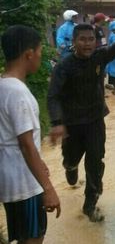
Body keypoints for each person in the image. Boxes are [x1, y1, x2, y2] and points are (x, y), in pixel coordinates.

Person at [47, 7, 115, 222]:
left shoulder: (99, 57)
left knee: (96, 162)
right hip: (71, 123)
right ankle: (70, 167)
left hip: (95, 120)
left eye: (91, 39)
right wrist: (57, 122)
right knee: (72, 158)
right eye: (83, 40)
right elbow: (53, 96)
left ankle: (91, 204)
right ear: (75, 41)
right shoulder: (64, 66)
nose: (88, 44)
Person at [1, 25, 61, 243]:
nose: (39, 57)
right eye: (38, 53)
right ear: (29, 54)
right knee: (33, 238)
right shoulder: (18, 93)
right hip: (25, 185)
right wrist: (48, 188)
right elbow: (26, 144)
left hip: (9, 181)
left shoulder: (3, 86)